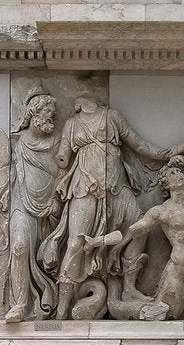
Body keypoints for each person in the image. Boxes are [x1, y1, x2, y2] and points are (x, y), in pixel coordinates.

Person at [40, 97, 174, 320]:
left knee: (140, 225)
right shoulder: (72, 124)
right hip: (84, 184)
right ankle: (62, 305)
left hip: (115, 183)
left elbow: (137, 144)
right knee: (76, 240)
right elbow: (63, 157)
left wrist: (163, 154)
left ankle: (129, 287)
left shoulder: (112, 116)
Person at [121, 164, 184, 319]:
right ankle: (125, 303)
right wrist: (116, 243)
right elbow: (137, 229)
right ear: (165, 183)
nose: (177, 174)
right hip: (178, 269)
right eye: (172, 173)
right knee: (166, 314)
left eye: (180, 171)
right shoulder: (162, 211)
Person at [5, 86, 62, 323]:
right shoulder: (17, 142)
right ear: (33, 113)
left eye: (53, 113)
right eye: (48, 111)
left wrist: (58, 201)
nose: (52, 116)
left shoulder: (59, 140)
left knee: (49, 258)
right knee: (19, 247)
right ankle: (20, 304)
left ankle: (53, 302)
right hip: (22, 203)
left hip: (50, 207)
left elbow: (66, 172)